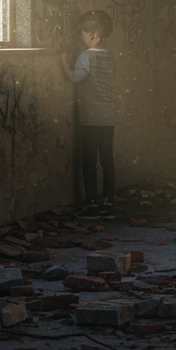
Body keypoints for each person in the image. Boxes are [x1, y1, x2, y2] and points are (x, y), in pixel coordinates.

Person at [59, 10, 116, 205]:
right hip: (108, 116)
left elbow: (75, 77)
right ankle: (109, 196)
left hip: (91, 116)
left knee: (89, 159)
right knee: (107, 157)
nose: (81, 36)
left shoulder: (85, 56)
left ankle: (91, 198)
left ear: (94, 35)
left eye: (84, 32)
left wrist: (64, 61)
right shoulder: (109, 56)